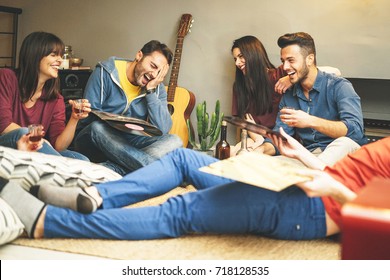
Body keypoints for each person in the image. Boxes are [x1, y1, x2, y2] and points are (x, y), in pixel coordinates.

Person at [1, 127, 389, 241]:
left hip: (311, 210)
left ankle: (47, 221)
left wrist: (333, 191)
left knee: (180, 212)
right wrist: (300, 155)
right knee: (183, 157)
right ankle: (95, 196)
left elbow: (378, 231)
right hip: (306, 181)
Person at [255, 32, 366, 166]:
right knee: (265, 164)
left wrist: (310, 121)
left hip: (345, 152)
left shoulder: (339, 86)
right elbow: (281, 137)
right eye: (283, 61)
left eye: (291, 60)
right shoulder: (289, 96)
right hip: (310, 155)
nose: (285, 67)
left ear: (310, 59)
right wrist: (259, 151)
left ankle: (313, 173)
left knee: (344, 142)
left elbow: (355, 131)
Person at [73, 40, 182, 175]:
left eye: (159, 72)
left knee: (174, 140)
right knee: (97, 127)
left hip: (129, 141)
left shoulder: (155, 87)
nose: (154, 75)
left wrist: (150, 92)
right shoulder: (105, 72)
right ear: (139, 55)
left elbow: (163, 129)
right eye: (152, 66)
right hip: (96, 139)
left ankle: (115, 168)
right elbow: (87, 118)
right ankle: (159, 173)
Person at [230, 35, 344, 156]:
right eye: (235, 59)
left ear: (253, 54)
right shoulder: (239, 86)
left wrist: (290, 79)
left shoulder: (280, 73)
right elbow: (245, 119)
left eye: (241, 56)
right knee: (235, 153)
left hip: (283, 137)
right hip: (257, 137)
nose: (237, 63)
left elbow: (333, 72)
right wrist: (258, 139)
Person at [0, 31, 90, 160]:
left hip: (36, 149)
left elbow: (58, 146)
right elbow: (3, 125)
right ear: (34, 56)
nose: (60, 60)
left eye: (60, 56)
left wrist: (74, 118)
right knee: (25, 133)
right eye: (54, 55)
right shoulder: (6, 77)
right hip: (6, 146)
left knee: (82, 160)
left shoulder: (55, 98)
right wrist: (40, 141)